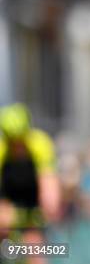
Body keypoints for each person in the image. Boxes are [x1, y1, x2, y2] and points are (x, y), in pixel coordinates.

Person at [0, 103, 61, 260]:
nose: (17, 146)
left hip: (32, 202)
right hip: (9, 197)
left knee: (33, 246)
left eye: (20, 140)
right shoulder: (2, 150)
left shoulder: (40, 144)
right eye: (12, 141)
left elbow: (48, 182)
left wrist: (49, 206)